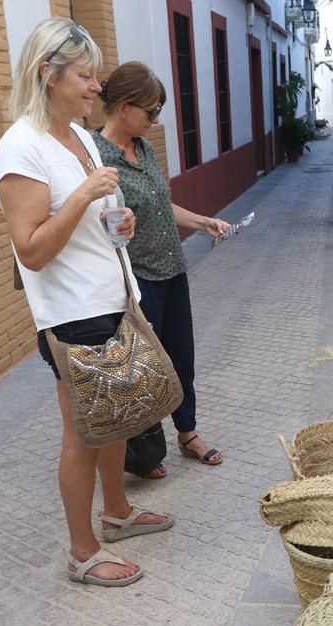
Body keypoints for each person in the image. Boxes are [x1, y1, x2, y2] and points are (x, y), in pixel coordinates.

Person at [0, 19, 174, 588]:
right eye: (86, 76)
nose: (98, 87)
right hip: (72, 313)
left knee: (115, 419)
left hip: (112, 296)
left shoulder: (80, 138)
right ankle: (82, 552)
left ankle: (116, 512)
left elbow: (98, 219)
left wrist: (118, 219)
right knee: (82, 434)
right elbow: (33, 249)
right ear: (48, 75)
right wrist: (87, 197)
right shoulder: (22, 147)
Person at [92, 62, 229, 479]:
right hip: (136, 281)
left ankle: (187, 434)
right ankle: (143, 454)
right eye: (150, 111)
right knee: (142, 368)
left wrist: (201, 221)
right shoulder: (97, 157)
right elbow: (97, 218)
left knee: (181, 358)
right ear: (124, 108)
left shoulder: (145, 148)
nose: (156, 120)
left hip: (172, 271)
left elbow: (159, 205)